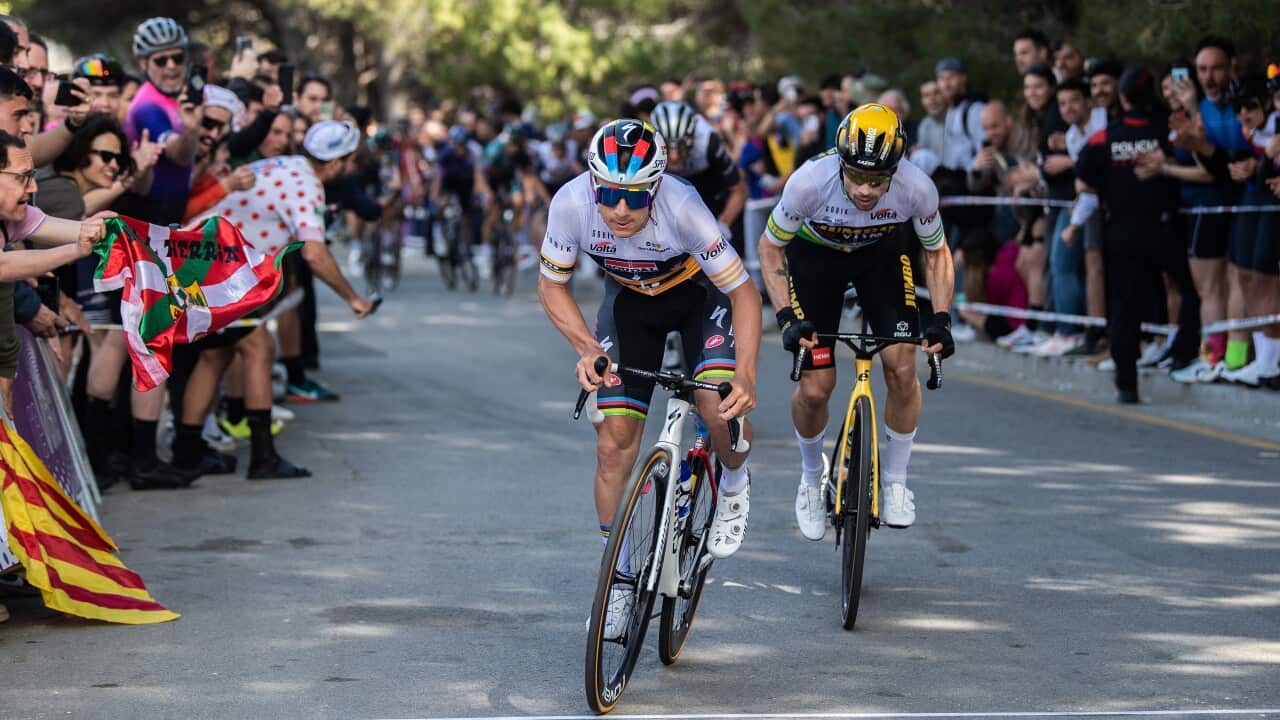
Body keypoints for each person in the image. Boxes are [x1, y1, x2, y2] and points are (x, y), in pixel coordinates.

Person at [537, 119, 759, 637]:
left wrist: (745, 374)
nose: (619, 209)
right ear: (593, 182)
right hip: (629, 306)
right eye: (609, 193)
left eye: (635, 198)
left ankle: (733, 480)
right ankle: (617, 580)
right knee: (614, 444)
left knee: (717, 404)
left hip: (698, 298)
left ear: (656, 187)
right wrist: (587, 348)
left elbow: (745, 294)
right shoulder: (570, 203)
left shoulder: (683, 208)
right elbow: (552, 286)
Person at [757, 104, 955, 537]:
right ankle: (812, 477)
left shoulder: (917, 187)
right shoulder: (809, 182)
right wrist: (787, 317)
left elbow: (936, 252)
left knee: (903, 368)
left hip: (881, 257)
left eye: (878, 180)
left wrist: (941, 318)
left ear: (896, 171)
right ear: (841, 161)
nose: (866, 190)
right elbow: (770, 248)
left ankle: (897, 482)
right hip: (815, 260)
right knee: (815, 389)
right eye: (857, 177)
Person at [184, 121, 376, 479]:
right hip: (217, 267)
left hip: (200, 263)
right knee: (259, 349)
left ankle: (187, 450)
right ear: (334, 163)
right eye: (350, 161)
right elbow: (314, 254)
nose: (351, 168)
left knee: (215, 356)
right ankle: (263, 458)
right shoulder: (307, 186)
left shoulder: (284, 166)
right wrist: (354, 299)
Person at [1075, 67, 1201, 403]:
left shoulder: (1104, 137)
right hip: (1164, 227)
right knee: (1189, 290)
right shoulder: (1167, 132)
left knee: (1124, 308)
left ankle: (1126, 383)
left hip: (1122, 232)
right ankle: (1185, 353)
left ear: (1123, 97)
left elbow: (1083, 176)